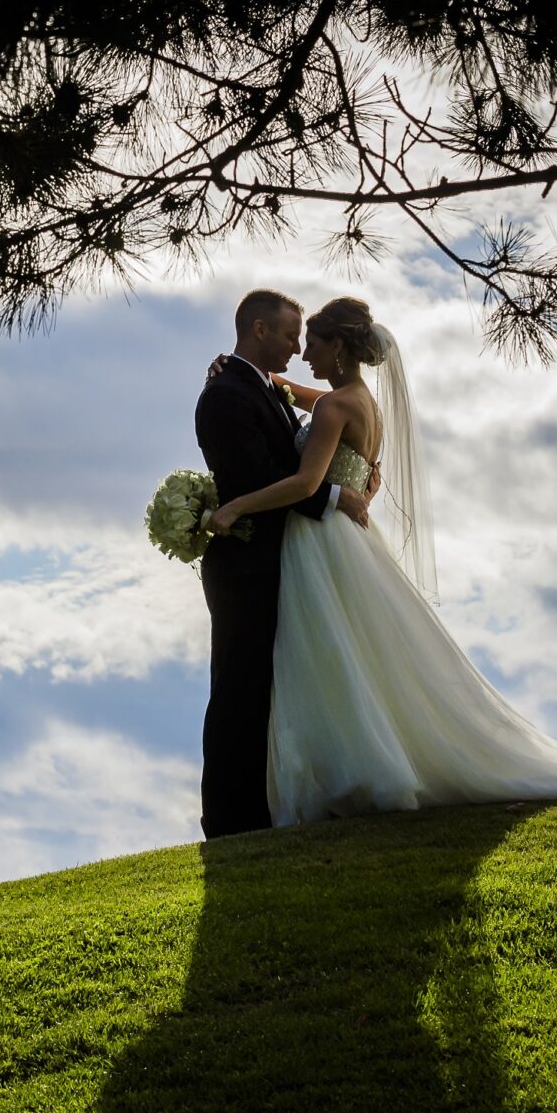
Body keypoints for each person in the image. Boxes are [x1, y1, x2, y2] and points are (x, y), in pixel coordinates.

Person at [205, 296, 557, 826]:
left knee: (333, 653)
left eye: (314, 344)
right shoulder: (363, 403)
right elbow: (321, 417)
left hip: (323, 541)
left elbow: (306, 481)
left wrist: (234, 507)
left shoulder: (332, 405)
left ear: (339, 349)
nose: (305, 353)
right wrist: (275, 383)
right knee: (361, 654)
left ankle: (352, 769)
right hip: (349, 541)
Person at [194, 290, 372, 836]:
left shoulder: (273, 389)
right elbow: (256, 476)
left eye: (308, 340)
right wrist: (340, 492)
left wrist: (350, 481)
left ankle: (264, 807)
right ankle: (229, 820)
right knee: (238, 690)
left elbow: (302, 459)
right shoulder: (228, 393)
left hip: (291, 554)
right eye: (293, 336)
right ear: (261, 330)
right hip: (246, 564)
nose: (299, 349)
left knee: (277, 685)